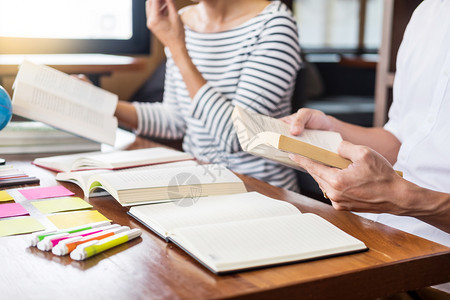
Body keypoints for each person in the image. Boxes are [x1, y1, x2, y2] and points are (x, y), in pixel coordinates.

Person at [282, 0, 450, 247]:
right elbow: (401, 141)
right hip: (371, 231)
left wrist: (406, 199)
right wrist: (332, 128)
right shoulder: (428, 13)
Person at [116, 0, 302, 191]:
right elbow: (175, 119)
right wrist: (103, 104)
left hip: (263, 191)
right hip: (200, 184)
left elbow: (236, 137)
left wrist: (177, 49)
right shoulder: (181, 21)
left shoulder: (275, 24)